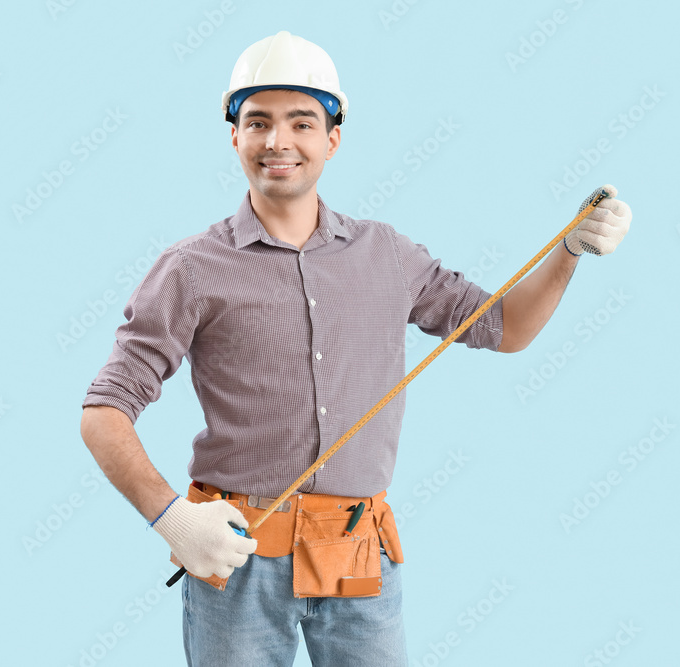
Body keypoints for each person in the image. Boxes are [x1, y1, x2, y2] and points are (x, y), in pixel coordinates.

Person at [80, 30, 631, 667]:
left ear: (332, 138)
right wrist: (172, 520)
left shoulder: (388, 256)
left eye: (301, 122)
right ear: (234, 135)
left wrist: (568, 250)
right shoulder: (190, 269)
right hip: (236, 555)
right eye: (257, 121)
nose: (278, 141)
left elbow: (506, 328)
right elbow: (104, 412)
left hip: (357, 555)